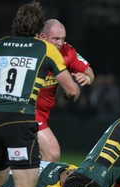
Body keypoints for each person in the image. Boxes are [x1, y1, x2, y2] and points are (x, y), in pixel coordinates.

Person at [0, 2, 80, 187]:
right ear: (39, 28)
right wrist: (73, 93)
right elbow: (71, 88)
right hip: (21, 123)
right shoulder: (45, 50)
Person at [37, 19, 95, 162]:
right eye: (56, 39)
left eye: (62, 39)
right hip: (27, 110)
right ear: (43, 37)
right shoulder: (30, 49)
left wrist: (86, 78)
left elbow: (90, 72)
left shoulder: (67, 51)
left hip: (44, 113)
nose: (60, 43)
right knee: (52, 153)